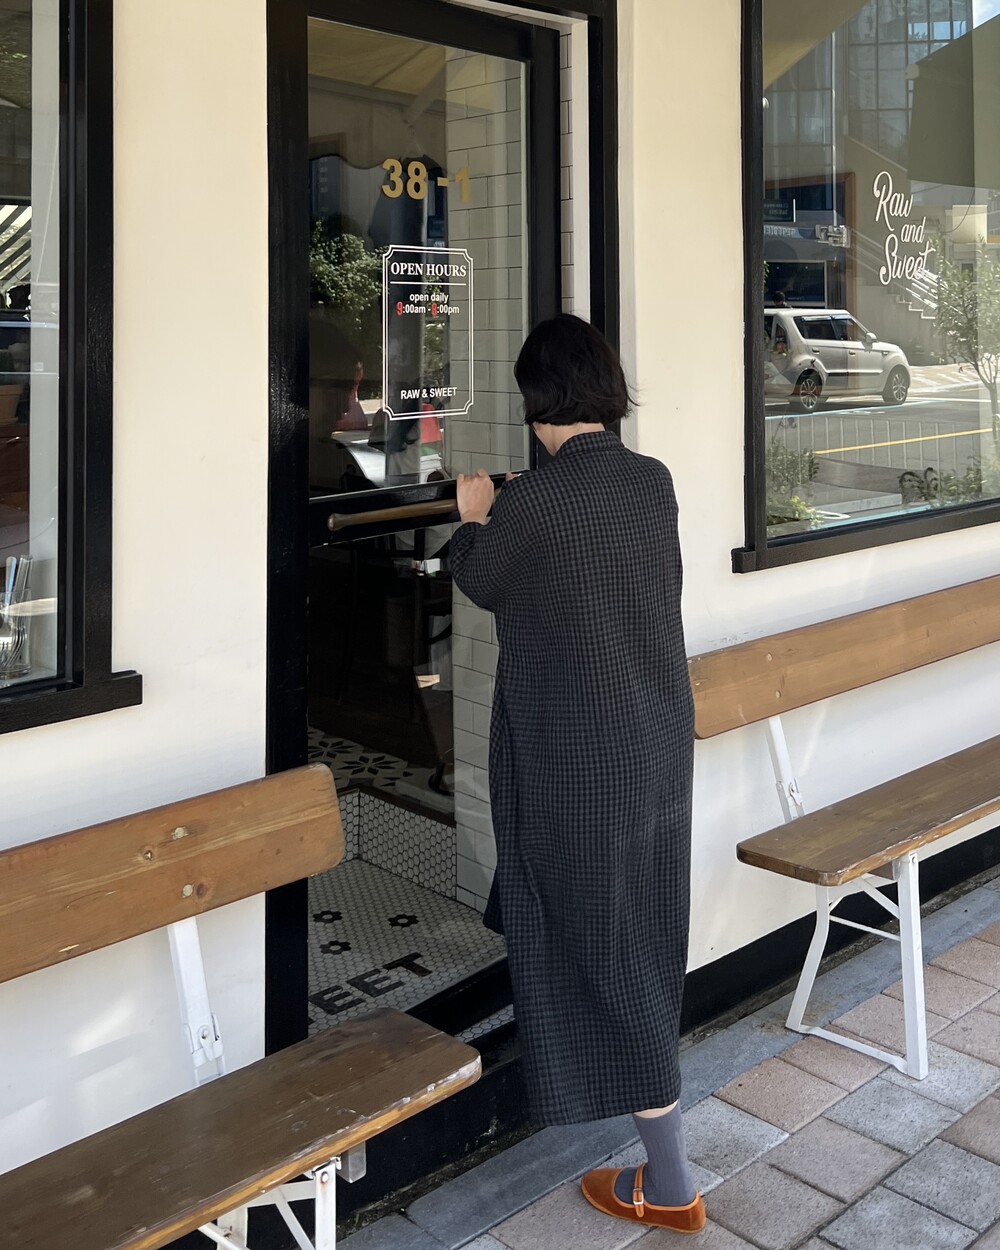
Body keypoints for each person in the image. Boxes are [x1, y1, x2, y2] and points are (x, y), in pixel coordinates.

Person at [450, 315, 703, 1235]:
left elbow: (481, 579)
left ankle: (670, 1184)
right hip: (656, 747)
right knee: (638, 921)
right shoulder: (649, 480)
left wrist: (473, 515)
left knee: (608, 944)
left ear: (536, 399)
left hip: (575, 762)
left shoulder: (535, 504)